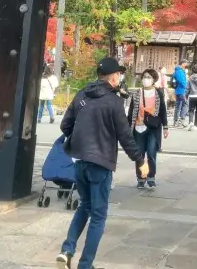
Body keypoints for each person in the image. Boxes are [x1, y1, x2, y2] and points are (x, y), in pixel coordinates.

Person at [56, 57, 148, 269]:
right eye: (119, 75)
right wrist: (140, 160)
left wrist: (79, 139)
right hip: (101, 163)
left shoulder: (81, 95)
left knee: (84, 207)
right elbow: (125, 136)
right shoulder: (114, 103)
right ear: (114, 77)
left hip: (79, 161)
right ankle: (85, 265)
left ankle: (67, 249)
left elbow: (65, 125)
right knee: (98, 215)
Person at [127, 69, 169, 188]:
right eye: (144, 77)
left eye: (149, 77)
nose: (146, 79)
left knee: (151, 154)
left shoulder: (158, 93)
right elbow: (131, 112)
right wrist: (127, 127)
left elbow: (163, 111)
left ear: (154, 79)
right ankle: (141, 177)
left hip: (153, 128)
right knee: (139, 155)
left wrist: (165, 127)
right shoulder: (136, 94)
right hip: (138, 128)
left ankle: (151, 177)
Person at [172, 60, 189, 127]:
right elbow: (182, 81)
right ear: (183, 64)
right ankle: (182, 119)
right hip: (182, 91)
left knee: (178, 106)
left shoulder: (178, 71)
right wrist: (186, 87)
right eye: (186, 63)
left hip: (178, 91)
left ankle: (176, 121)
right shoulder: (179, 71)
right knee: (186, 104)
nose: (187, 64)